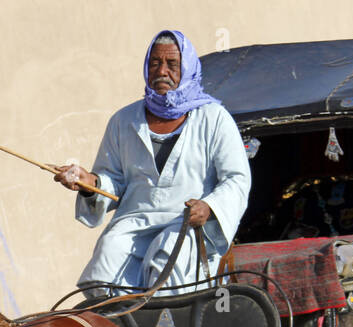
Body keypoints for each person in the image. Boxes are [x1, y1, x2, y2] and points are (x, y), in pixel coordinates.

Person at [55, 29, 251, 295]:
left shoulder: (214, 118)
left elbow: (237, 178)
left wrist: (209, 207)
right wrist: (89, 183)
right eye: (155, 63)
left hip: (186, 223)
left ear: (188, 69)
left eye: (172, 65)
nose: (162, 71)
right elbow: (113, 180)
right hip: (134, 222)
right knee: (107, 256)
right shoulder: (123, 121)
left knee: (167, 255)